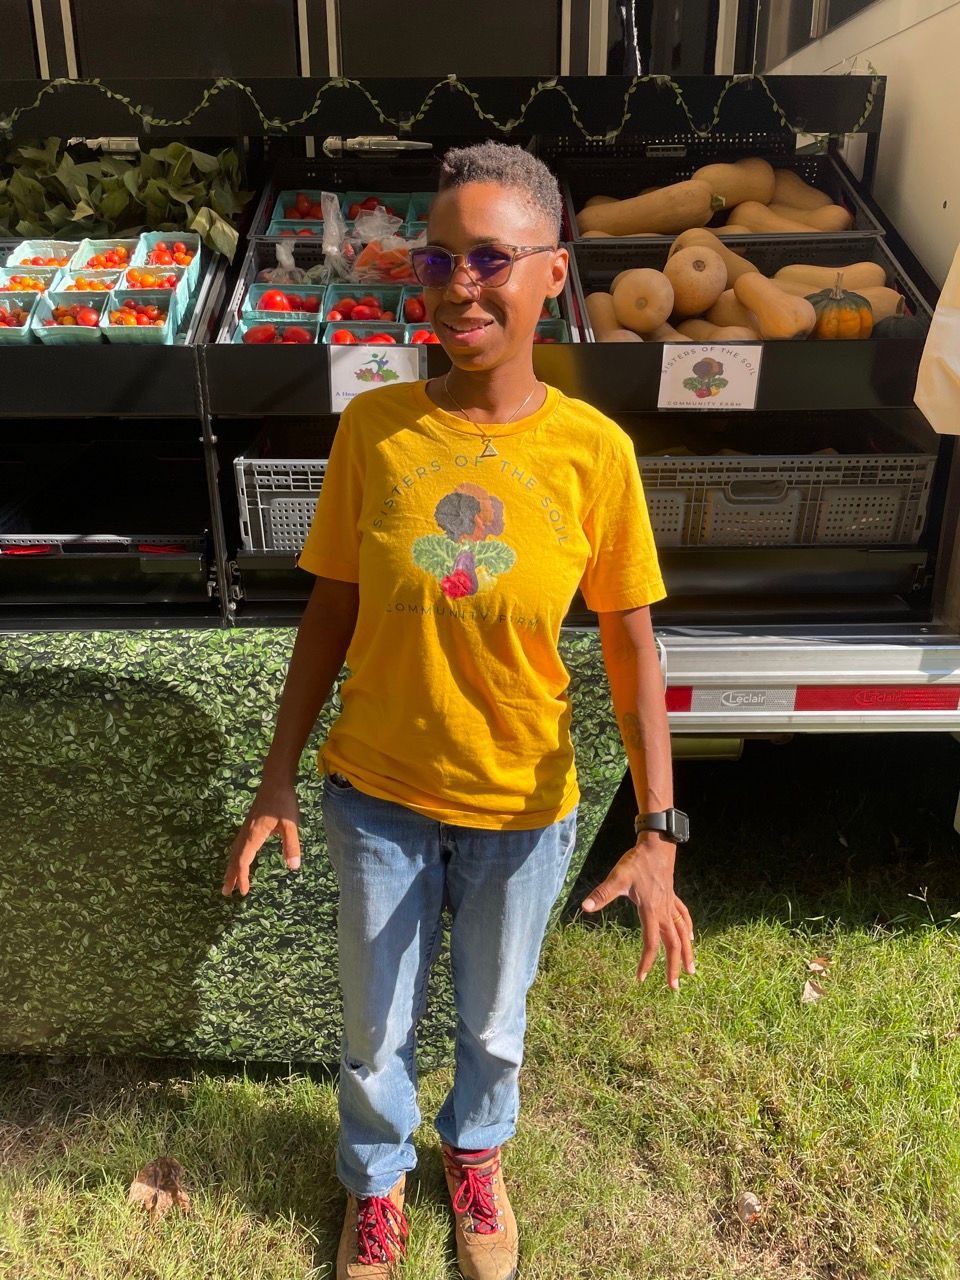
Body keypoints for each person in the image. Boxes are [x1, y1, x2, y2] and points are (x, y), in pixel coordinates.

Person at [222, 140, 696, 1280]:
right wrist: (278, 774)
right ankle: (376, 1180)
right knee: (375, 1026)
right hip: (376, 791)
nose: (458, 283)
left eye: (490, 256)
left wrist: (659, 830)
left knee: (492, 1021)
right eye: (439, 259)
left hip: (522, 804)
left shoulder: (594, 454)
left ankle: (476, 1152)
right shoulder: (375, 432)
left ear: (552, 275)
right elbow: (328, 616)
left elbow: (633, 647)